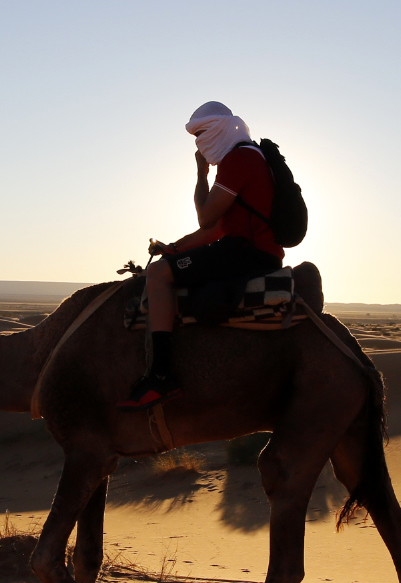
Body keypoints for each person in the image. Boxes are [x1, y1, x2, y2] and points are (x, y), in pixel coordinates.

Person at [118, 100, 284, 410]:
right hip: (252, 250)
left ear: (222, 128)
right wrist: (175, 249)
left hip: (247, 253)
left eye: (202, 133)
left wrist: (201, 174)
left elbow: (206, 219)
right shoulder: (250, 158)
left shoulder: (239, 160)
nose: (198, 142)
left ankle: (161, 376)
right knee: (170, 265)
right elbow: (217, 229)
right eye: (194, 135)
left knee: (157, 274)